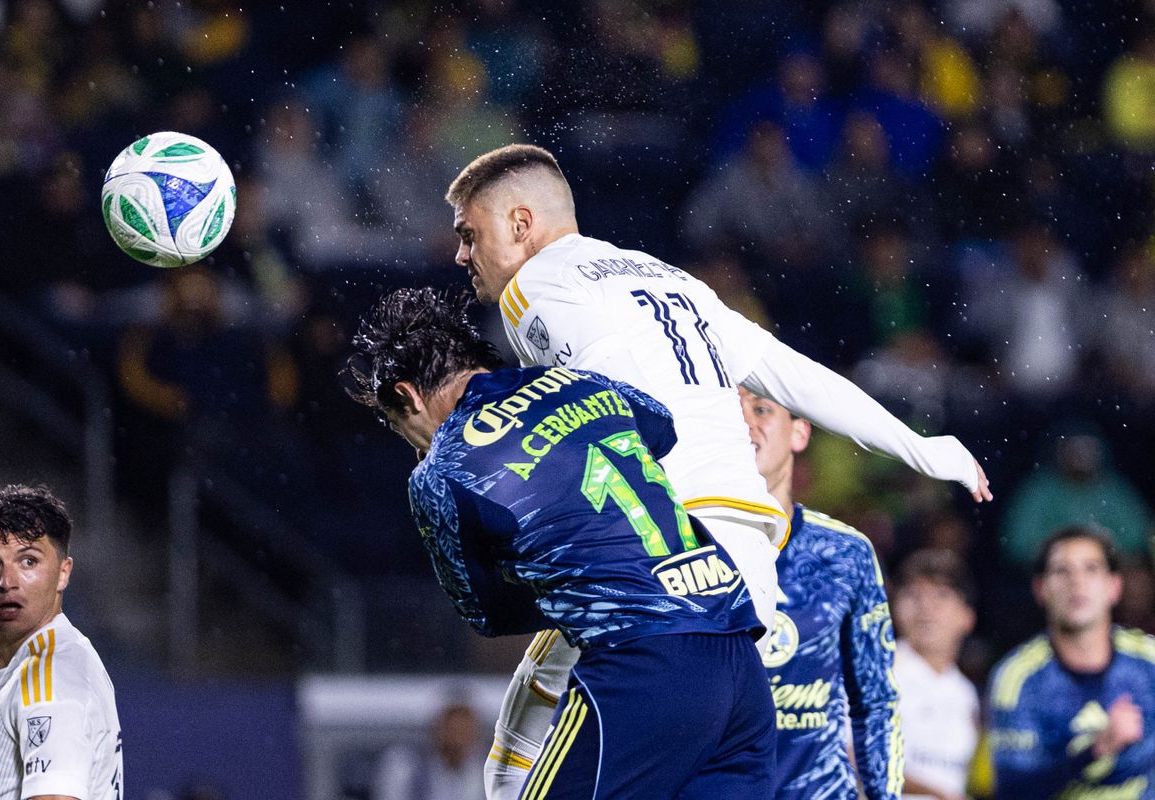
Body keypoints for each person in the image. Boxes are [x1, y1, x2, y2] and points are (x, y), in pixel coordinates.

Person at [444, 142, 990, 796]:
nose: (461, 255)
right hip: (747, 573)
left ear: (521, 224)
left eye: (470, 235)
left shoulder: (533, 289)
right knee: (548, 692)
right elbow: (796, 374)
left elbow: (616, 406)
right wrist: (922, 448)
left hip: (670, 551)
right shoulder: (672, 280)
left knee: (532, 714)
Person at [345, 288, 775, 799]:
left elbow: (489, 615)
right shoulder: (583, 382)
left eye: (404, 430)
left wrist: (565, 569)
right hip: (738, 654)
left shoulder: (441, 470)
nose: (416, 445)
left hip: (642, 668)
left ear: (410, 395)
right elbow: (660, 427)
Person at [739, 389, 902, 800]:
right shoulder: (683, 543)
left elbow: (877, 699)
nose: (744, 423)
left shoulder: (846, 553)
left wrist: (885, 796)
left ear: (800, 432)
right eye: (730, 412)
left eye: (761, 409)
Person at [0, 484, 123, 800]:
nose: (6, 582)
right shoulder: (12, 664)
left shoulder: (51, 679)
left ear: (64, 573)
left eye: (28, 561)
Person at [987, 526, 1155, 799]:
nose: (1077, 582)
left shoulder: (1149, 660)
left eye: (1091, 568)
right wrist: (1097, 749)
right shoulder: (1017, 678)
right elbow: (1012, 790)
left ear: (1114, 587)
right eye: (1062, 570)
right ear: (1040, 589)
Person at [892, 549, 979, 800]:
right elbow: (848, 755)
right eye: (913, 595)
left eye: (941, 596)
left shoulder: (965, 692)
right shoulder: (875, 670)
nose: (926, 608)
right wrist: (939, 794)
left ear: (967, 616)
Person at [372, 702, 485, 800]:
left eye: (464, 732)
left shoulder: (487, 774)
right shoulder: (406, 767)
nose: (457, 741)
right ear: (438, 732)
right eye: (453, 731)